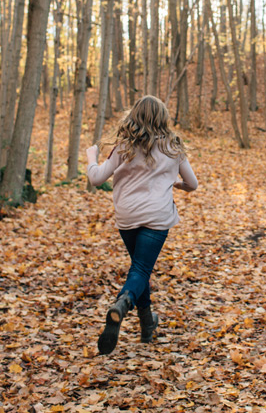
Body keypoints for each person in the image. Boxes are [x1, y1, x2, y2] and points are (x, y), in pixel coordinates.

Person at [86, 95, 198, 355]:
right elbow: (192, 184)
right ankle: (122, 304)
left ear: (134, 116)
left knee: (140, 269)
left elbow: (96, 178)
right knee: (140, 269)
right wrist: (178, 185)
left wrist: (92, 156)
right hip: (157, 217)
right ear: (163, 118)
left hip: (127, 217)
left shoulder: (123, 146)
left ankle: (147, 324)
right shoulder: (173, 146)